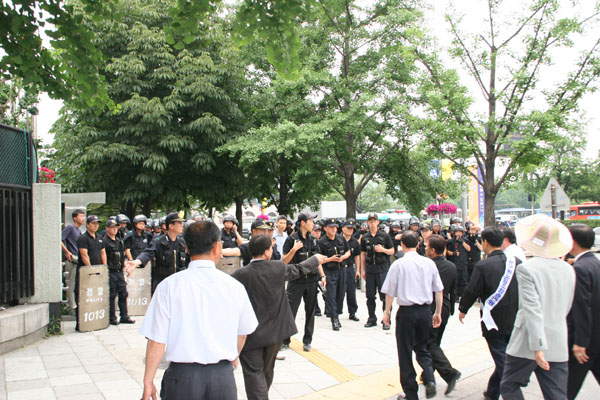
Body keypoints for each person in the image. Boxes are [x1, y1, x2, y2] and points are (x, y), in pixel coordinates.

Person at [139, 221, 258, 400]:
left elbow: (156, 339)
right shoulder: (234, 287)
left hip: (182, 378)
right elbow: (243, 332)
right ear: (217, 247)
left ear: (187, 248)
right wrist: (234, 357)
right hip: (222, 378)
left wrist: (148, 380)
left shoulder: (169, 286)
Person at [232, 234, 325, 400]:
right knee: (267, 370)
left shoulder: (240, 274)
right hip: (275, 333)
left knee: (254, 373)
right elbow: (299, 269)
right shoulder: (278, 267)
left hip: (250, 334)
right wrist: (315, 259)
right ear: (267, 252)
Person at [500, 215, 575, 399]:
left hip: (528, 340)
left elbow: (532, 309)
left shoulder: (527, 268)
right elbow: (566, 306)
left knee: (509, 386)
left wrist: (538, 346)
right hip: (557, 338)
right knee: (556, 394)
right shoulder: (568, 269)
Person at [458, 226, 519, 400]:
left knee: (502, 359)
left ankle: (514, 393)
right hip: (514, 316)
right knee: (504, 355)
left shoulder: (483, 265)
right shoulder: (516, 262)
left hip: (493, 319)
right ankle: (492, 393)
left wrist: (463, 309)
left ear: (485, 242)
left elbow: (472, 290)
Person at [382, 231, 444, 400]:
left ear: (402, 245)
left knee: (405, 352)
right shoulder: (429, 263)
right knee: (423, 347)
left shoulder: (398, 265)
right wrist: (437, 312)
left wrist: (387, 312)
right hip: (425, 311)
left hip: (407, 313)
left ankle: (411, 393)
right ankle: (429, 378)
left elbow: (389, 292)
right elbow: (439, 290)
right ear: (418, 244)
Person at [281, 212, 325, 352]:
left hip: (311, 280)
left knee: (310, 311)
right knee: (290, 311)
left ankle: (307, 341)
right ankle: (285, 340)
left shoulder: (313, 240)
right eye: (311, 221)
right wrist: (294, 250)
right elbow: (284, 261)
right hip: (296, 280)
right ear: (302, 223)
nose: (313, 224)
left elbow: (317, 260)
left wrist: (322, 276)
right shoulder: (291, 239)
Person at [424, 234, 461, 395]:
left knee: (429, 343)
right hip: (445, 306)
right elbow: (453, 289)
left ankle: (449, 373)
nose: (425, 248)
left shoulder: (428, 266)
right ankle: (427, 375)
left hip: (432, 307)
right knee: (435, 342)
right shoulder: (451, 266)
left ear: (432, 250)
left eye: (426, 246)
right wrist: (452, 307)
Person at [567, 224, 600, 399]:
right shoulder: (594, 262)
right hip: (596, 337)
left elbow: (582, 306)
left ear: (573, 242)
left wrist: (580, 342)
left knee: (566, 389)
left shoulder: (580, 268)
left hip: (585, 342)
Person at [125, 212, 187, 293]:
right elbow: (148, 252)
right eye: (179, 223)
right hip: (163, 284)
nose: (182, 225)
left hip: (178, 284)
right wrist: (136, 262)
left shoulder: (181, 242)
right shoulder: (159, 241)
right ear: (171, 226)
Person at [361, 213, 395, 330]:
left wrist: (383, 250)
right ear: (367, 223)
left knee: (385, 296)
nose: (372, 223)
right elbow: (363, 254)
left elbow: (392, 251)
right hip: (370, 269)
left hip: (382, 269)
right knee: (370, 296)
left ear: (378, 222)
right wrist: (362, 270)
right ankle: (371, 318)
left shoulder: (385, 236)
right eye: (370, 221)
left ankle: (386, 319)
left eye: (374, 221)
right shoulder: (365, 237)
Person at [318, 218, 351, 331]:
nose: (333, 229)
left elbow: (348, 251)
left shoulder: (341, 238)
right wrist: (330, 259)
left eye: (335, 227)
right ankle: (334, 318)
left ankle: (337, 314)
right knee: (331, 295)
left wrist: (343, 257)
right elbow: (319, 260)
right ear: (325, 228)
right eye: (331, 227)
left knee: (340, 294)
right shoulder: (322, 242)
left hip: (341, 269)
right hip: (329, 270)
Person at [75, 215, 106, 330]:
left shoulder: (100, 238)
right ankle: (81, 323)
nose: (96, 225)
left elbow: (103, 253)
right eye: (93, 223)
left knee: (96, 296)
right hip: (85, 273)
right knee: (83, 297)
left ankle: (95, 321)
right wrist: (90, 270)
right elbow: (84, 255)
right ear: (87, 225)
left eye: (97, 223)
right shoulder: (83, 238)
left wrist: (104, 268)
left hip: (98, 272)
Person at [103, 218, 135, 325]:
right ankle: (112, 317)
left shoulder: (119, 241)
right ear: (107, 228)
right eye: (112, 227)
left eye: (116, 227)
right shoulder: (104, 241)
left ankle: (124, 316)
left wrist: (126, 267)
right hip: (110, 271)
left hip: (119, 271)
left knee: (123, 293)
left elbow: (123, 256)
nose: (114, 229)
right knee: (112, 295)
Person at [61, 208, 85, 312]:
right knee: (71, 283)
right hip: (72, 259)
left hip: (78, 259)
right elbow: (60, 240)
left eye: (84, 216)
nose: (83, 218)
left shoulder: (79, 230)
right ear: (74, 218)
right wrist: (67, 252)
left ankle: (75, 305)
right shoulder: (70, 227)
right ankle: (71, 307)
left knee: (76, 283)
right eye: (81, 216)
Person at [337, 219, 360, 322]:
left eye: (352, 229)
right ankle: (336, 313)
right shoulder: (337, 239)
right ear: (343, 228)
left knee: (351, 291)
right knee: (340, 292)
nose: (350, 230)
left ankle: (352, 312)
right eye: (348, 228)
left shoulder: (355, 242)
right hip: (339, 268)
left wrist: (358, 270)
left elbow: (357, 257)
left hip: (350, 268)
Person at [446, 225, 471, 297]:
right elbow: (447, 251)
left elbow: (469, 249)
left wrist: (462, 242)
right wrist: (453, 253)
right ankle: (455, 296)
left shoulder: (465, 240)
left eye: (460, 232)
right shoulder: (450, 242)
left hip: (463, 263)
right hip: (454, 263)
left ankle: (463, 295)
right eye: (457, 232)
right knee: (455, 281)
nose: (458, 234)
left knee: (464, 280)